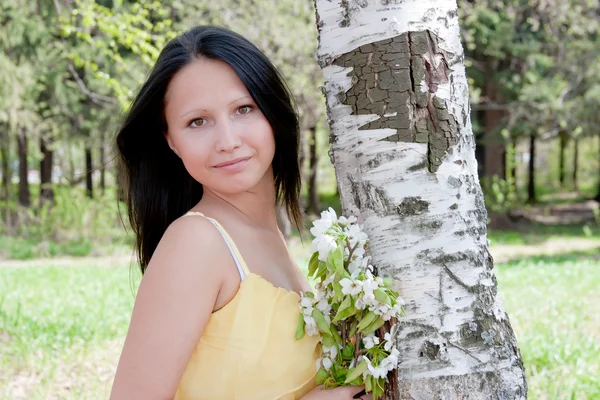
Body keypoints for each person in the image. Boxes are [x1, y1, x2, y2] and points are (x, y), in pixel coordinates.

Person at [110, 26, 370, 400]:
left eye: (243, 109)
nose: (228, 141)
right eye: (197, 122)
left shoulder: (277, 240)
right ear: (171, 140)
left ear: (272, 113)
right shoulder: (196, 242)